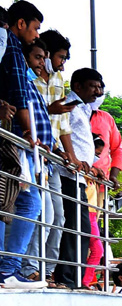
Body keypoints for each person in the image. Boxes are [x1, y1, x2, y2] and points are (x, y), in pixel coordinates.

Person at [0, 0, 52, 287]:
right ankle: (7, 268)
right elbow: (20, 96)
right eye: (34, 28)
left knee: (13, 200)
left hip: (11, 135)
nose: (35, 35)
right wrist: (31, 135)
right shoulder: (14, 50)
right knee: (25, 201)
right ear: (21, 24)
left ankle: (7, 267)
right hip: (12, 137)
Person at [51, 68, 105, 290]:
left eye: (99, 87)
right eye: (93, 86)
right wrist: (72, 158)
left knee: (80, 227)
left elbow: (82, 141)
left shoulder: (82, 108)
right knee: (75, 226)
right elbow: (61, 133)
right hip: (67, 173)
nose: (98, 91)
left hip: (80, 175)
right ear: (78, 86)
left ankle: (74, 277)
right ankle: (66, 277)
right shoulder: (68, 105)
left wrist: (92, 166)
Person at [33, 29, 72, 276]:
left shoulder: (58, 80)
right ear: (47, 53)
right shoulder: (30, 75)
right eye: (61, 56)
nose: (63, 63)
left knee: (58, 217)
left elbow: (63, 121)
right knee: (40, 214)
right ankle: (30, 268)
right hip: (34, 151)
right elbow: (30, 113)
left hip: (54, 155)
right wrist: (51, 108)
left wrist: (71, 155)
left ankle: (46, 272)